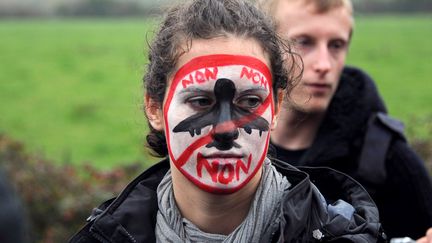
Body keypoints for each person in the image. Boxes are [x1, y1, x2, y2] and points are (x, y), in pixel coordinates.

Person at [69, 0, 385, 242]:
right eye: (200, 101)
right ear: (155, 108)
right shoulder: (104, 236)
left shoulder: (338, 234)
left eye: (249, 102)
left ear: (275, 107)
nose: (225, 129)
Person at [256, 0, 432, 239]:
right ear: (265, 47)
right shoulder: (230, 147)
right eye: (304, 42)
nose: (324, 65)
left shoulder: (387, 160)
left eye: (336, 45)